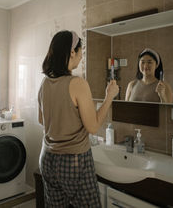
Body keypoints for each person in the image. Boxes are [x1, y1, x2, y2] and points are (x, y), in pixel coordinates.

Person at [38, 30, 119, 207]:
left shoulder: (44, 83)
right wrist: (109, 97)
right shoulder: (77, 84)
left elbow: (42, 121)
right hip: (73, 160)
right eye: (81, 52)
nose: (82, 57)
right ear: (72, 52)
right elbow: (93, 127)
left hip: (47, 158)